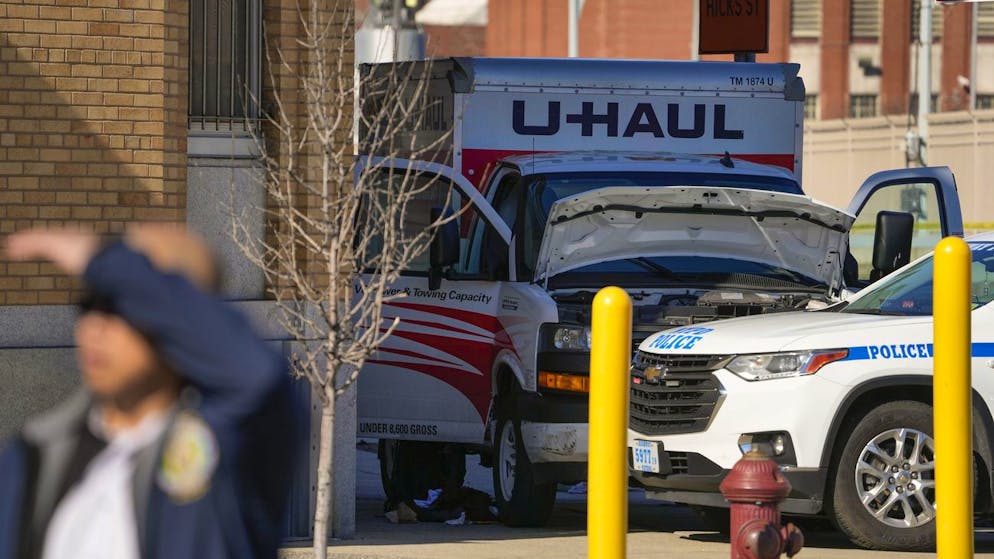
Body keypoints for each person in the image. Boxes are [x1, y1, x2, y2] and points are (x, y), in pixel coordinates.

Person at [0, 226, 299, 559]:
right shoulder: (39, 455)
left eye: (125, 304)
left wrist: (101, 261)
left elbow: (257, 376)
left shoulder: (231, 442)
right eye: (89, 305)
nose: (97, 325)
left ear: (185, 322)